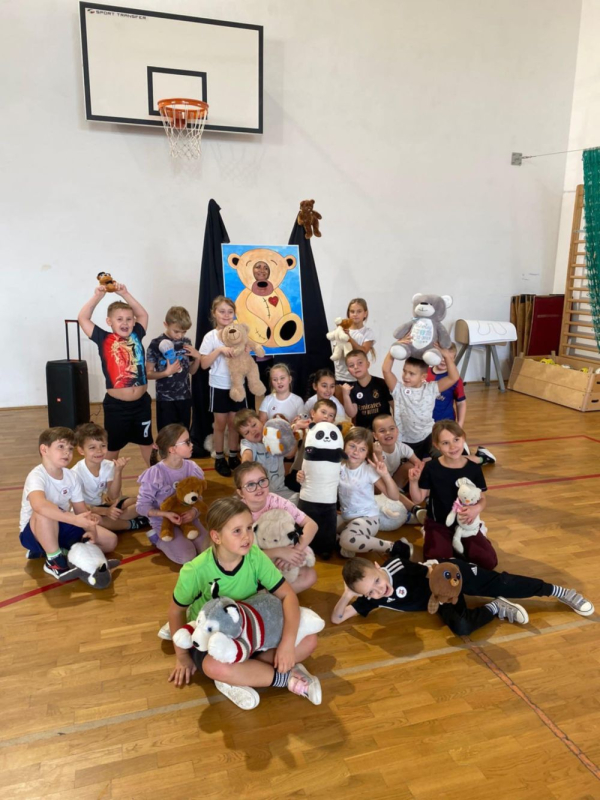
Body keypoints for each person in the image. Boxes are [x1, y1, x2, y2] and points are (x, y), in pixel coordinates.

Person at [166, 497, 322, 710]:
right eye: (237, 531)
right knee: (214, 667)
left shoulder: (255, 556)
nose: (247, 536)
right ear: (216, 537)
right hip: (213, 639)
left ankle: (244, 674)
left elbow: (288, 596)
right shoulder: (195, 570)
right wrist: (182, 656)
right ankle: (285, 678)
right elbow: (176, 611)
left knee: (309, 640)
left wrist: (287, 644)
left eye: (249, 527)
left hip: (252, 631)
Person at [332, 554, 594, 635]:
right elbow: (337, 618)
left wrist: (445, 578)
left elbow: (432, 572)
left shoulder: (398, 567)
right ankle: (496, 608)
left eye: (377, 581)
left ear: (378, 567)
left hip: (451, 575)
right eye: (370, 591)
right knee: (462, 627)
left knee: (503, 583)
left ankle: (559, 591)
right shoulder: (371, 599)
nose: (379, 590)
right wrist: (346, 595)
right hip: (442, 599)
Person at [19, 427, 118, 579]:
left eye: (70, 449)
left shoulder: (72, 476)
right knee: (45, 512)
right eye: (61, 447)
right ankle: (53, 560)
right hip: (33, 532)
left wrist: (91, 529)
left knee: (110, 541)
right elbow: (39, 505)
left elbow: (80, 510)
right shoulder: (36, 476)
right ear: (44, 450)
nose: (67, 452)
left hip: (62, 524)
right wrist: (75, 520)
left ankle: (58, 550)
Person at [78, 282, 153, 465]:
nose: (125, 323)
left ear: (133, 322)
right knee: (112, 448)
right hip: (117, 407)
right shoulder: (103, 338)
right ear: (109, 322)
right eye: (119, 319)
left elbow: (143, 314)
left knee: (147, 444)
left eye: (128, 319)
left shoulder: (137, 334)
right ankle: (109, 482)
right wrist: (98, 295)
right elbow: (83, 318)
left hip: (141, 405)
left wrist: (125, 293)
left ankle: (157, 477)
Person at [408, 420, 498, 569]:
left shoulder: (474, 468)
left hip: (465, 524)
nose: (453, 446)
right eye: (445, 443)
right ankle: (434, 535)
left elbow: (482, 498)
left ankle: (470, 538)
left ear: (463, 438)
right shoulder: (431, 468)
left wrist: (476, 509)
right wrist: (413, 482)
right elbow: (418, 499)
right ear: (436, 445)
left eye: (456, 440)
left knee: (489, 561)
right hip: (439, 524)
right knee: (439, 562)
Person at [324, 427, 412, 559]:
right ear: (344, 445)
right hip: (346, 517)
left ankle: (395, 546)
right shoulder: (339, 466)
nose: (356, 452)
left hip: (368, 518)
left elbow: (394, 496)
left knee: (347, 538)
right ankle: (344, 545)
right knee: (319, 526)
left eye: (362, 449)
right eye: (352, 446)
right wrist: (303, 477)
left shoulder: (368, 470)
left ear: (367, 453)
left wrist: (385, 474)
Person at [234, 462, 317, 593]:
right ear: (240, 492)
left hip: (276, 563)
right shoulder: (237, 514)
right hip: (253, 564)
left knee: (310, 576)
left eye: (262, 481)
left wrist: (296, 550)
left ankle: (266, 595)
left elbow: (311, 525)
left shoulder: (277, 502)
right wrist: (279, 552)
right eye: (250, 485)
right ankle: (266, 594)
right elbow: (241, 557)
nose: (258, 488)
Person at [136, 424, 209, 565]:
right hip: (164, 522)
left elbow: (198, 496)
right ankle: (157, 539)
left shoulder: (192, 468)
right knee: (187, 556)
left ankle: (184, 537)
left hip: (188, 519)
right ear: (172, 449)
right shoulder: (155, 473)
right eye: (187, 442)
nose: (192, 445)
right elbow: (141, 506)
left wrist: (194, 512)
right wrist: (165, 514)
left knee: (208, 550)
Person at [382, 343, 460, 460]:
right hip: (405, 439)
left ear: (423, 377)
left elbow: (454, 377)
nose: (406, 376)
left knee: (445, 458)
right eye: (404, 371)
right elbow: (386, 370)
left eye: (411, 374)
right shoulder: (398, 389)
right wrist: (395, 347)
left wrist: (447, 356)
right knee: (411, 466)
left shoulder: (431, 388)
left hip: (428, 435)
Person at [425, 344, 496, 466]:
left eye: (448, 358)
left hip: (444, 426)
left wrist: (459, 425)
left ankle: (481, 458)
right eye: (441, 356)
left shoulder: (455, 379)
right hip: (424, 425)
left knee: (447, 461)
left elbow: (461, 403)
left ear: (454, 359)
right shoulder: (424, 373)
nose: (444, 360)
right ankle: (463, 451)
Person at [71, 422, 148, 532]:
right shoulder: (75, 473)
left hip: (103, 505)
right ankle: (131, 524)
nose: (99, 451)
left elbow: (113, 495)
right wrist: (106, 512)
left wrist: (117, 472)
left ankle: (124, 518)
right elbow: (80, 507)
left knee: (140, 500)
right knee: (96, 519)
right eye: (92, 447)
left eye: (103, 446)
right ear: (81, 450)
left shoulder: (108, 465)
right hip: (86, 509)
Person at [199, 296, 245, 477]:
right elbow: (203, 364)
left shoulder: (239, 333)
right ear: (214, 313)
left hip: (237, 385)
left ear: (234, 314)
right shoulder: (210, 336)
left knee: (235, 423)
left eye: (230, 312)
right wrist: (219, 350)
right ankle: (219, 458)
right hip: (218, 385)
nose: (226, 315)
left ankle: (233, 455)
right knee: (220, 424)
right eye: (222, 311)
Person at [146, 306, 200, 432]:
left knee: (183, 433)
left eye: (184, 332)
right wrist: (166, 373)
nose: (180, 335)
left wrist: (198, 358)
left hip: (184, 397)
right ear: (166, 324)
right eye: (176, 331)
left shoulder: (186, 342)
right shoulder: (155, 344)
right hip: (165, 399)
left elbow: (192, 371)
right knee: (166, 435)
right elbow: (148, 373)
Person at [235, 408, 297, 502]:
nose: (253, 431)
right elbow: (246, 456)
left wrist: (292, 435)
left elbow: (290, 454)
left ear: (261, 421)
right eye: (247, 432)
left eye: (254, 425)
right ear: (244, 437)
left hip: (279, 490)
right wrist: (246, 465)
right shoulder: (247, 443)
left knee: (298, 500)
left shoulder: (274, 434)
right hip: (259, 492)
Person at [332, 298, 376, 399]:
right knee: (341, 407)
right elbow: (336, 352)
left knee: (358, 407)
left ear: (365, 313)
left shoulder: (368, 332)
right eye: (352, 311)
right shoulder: (340, 330)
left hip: (358, 378)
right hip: (341, 376)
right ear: (348, 313)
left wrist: (349, 338)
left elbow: (363, 351)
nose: (355, 314)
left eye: (359, 311)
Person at [371, 413, 423, 494]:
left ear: (397, 431)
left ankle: (397, 491)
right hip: (377, 483)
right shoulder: (374, 450)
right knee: (378, 482)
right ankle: (390, 494)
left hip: (393, 479)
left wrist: (416, 478)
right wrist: (378, 455)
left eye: (392, 429)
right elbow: (379, 473)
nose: (388, 433)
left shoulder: (401, 447)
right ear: (375, 436)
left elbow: (418, 463)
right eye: (382, 431)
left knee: (411, 466)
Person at [341, 350, 392, 429]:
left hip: (384, 429)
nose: (356, 367)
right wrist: (345, 395)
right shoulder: (351, 389)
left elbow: (395, 406)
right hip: (364, 432)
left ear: (368, 364)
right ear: (348, 370)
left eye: (360, 363)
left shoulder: (381, 383)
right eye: (351, 365)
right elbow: (351, 414)